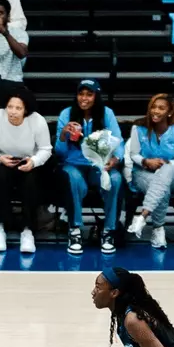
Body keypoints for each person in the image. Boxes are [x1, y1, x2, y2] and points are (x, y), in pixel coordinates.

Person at [56, 79, 125, 256]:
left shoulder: (106, 114)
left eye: (89, 94)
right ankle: (75, 231)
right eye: (81, 94)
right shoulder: (67, 114)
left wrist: (116, 159)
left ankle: (109, 231)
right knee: (72, 178)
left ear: (96, 96)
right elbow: (60, 152)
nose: (84, 98)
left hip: (99, 165)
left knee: (116, 179)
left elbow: (119, 141)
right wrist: (63, 134)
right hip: (74, 165)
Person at [0, 89, 51, 254]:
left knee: (31, 181)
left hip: (28, 161)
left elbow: (46, 149)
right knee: (0, 176)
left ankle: (27, 231)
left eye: (18, 108)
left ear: (26, 110)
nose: (12, 112)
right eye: (10, 107)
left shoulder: (38, 121)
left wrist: (33, 162)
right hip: (2, 161)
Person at [125, 92, 174, 250]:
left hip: (173, 173)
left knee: (166, 171)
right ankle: (157, 229)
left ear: (169, 112)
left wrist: (165, 163)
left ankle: (143, 216)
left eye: (161, 108)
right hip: (143, 172)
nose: (155, 111)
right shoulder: (138, 127)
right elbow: (133, 154)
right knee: (162, 187)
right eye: (153, 107)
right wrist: (145, 161)